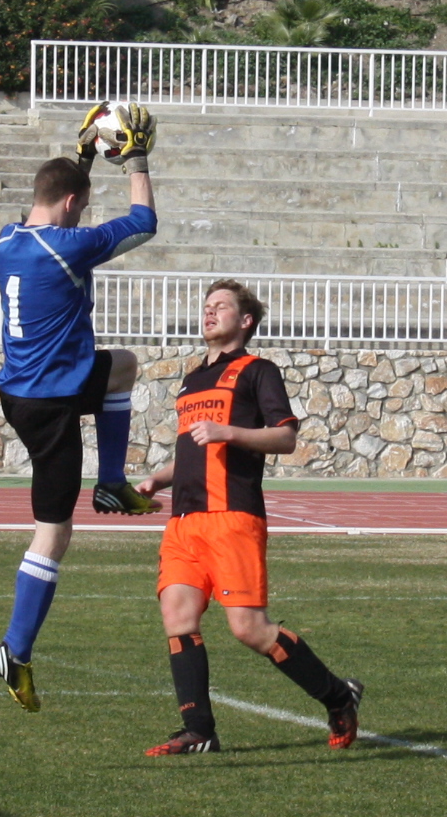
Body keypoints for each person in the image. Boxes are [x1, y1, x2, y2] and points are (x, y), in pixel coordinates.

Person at [133, 280, 363, 758]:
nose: (209, 312)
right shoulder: (192, 379)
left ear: (245, 320)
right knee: (177, 616)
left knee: (249, 629)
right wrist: (157, 479)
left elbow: (285, 438)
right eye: (206, 306)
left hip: (232, 517)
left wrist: (229, 431)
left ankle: (338, 696)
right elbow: (194, 451)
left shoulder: (259, 371)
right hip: (184, 521)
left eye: (220, 306)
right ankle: (199, 730)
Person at [0, 122, 159, 712]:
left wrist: (83, 158)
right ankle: (15, 649)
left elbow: (59, 200)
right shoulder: (69, 247)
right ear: (69, 204)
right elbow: (144, 223)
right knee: (54, 533)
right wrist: (135, 161)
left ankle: (111, 483)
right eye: (81, 207)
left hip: (23, 391)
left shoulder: (8, 238)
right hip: (51, 400)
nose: (82, 217)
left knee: (120, 366)